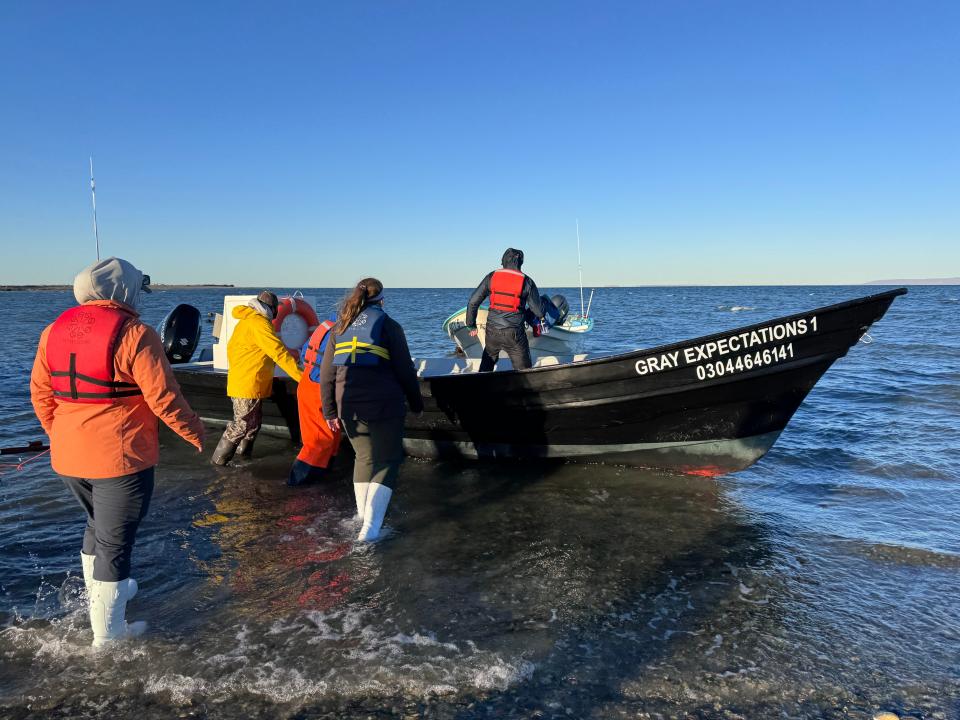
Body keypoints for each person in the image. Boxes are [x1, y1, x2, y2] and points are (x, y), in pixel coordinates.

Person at [30, 257, 205, 648]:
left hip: (69, 456)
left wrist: (59, 433)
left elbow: (41, 395)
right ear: (124, 291)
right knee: (115, 545)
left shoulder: (51, 332)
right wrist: (195, 431)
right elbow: (164, 397)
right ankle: (108, 637)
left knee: (97, 526)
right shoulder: (137, 334)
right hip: (120, 459)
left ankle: (104, 599)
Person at [319, 278, 424, 541]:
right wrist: (417, 403)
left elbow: (326, 375)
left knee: (364, 458)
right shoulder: (389, 325)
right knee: (388, 460)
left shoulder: (339, 328)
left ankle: (360, 517)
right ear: (382, 300)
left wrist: (329, 411)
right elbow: (405, 371)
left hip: (347, 405)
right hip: (383, 405)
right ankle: (371, 530)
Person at [212, 291, 303, 466]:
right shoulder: (259, 324)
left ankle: (243, 459)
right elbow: (279, 353)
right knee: (241, 426)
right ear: (272, 309)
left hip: (245, 381)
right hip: (248, 384)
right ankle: (218, 464)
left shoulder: (246, 320)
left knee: (252, 426)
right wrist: (301, 376)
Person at [466, 248, 547, 371]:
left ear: (503, 261)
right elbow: (538, 310)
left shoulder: (492, 276)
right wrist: (541, 316)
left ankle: (481, 386)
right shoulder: (527, 281)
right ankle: (525, 387)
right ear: (520, 262)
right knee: (524, 372)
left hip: (492, 332)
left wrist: (471, 325)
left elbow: (473, 301)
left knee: (486, 365)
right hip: (514, 334)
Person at [287, 315, 342, 485]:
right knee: (319, 441)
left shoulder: (327, 324)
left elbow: (305, 353)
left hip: (309, 382)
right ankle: (296, 487)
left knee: (331, 439)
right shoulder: (346, 330)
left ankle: (321, 482)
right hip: (319, 389)